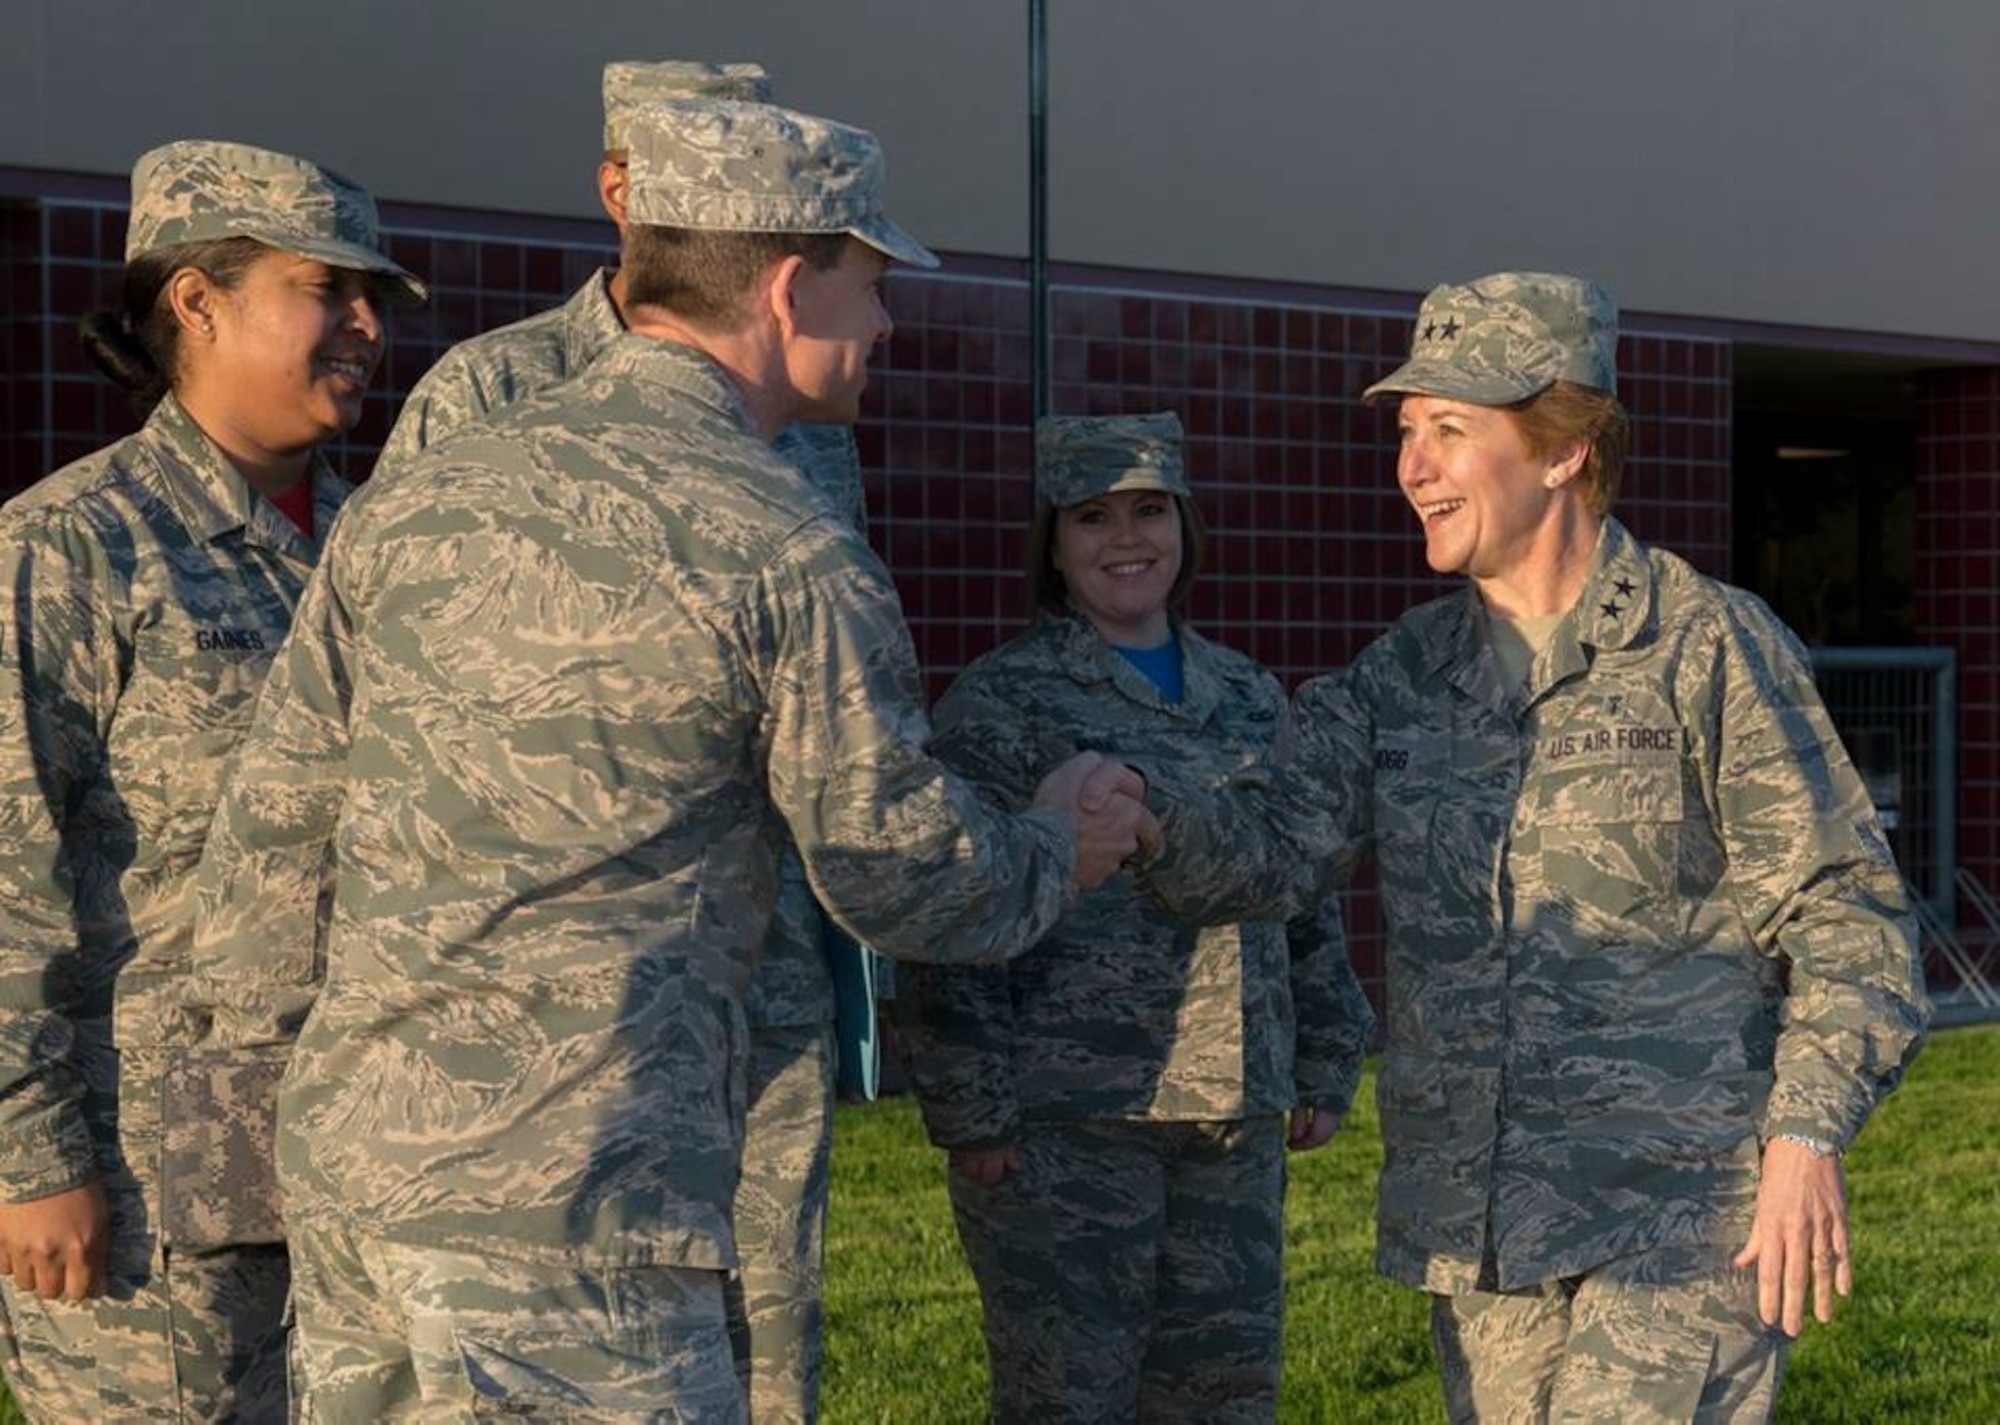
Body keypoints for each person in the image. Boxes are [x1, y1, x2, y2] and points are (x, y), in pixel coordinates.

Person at [183, 99, 1155, 1420]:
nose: (884, 327)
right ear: (790, 287)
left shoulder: (416, 501)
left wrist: (249, 1167)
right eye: (872, 287)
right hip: (584, 1217)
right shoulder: (783, 547)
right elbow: (903, 879)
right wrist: (1059, 841)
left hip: (364, 1194)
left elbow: (273, 848)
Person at [1141, 272, 1929, 1421]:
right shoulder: (1402, 678)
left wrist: (1805, 1133)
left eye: (1450, 432)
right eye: (1408, 434)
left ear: (1562, 453)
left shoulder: (1700, 646)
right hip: (1480, 1239)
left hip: (1672, 1221)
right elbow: (1265, 843)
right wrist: (1137, 816)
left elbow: (1846, 910)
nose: (1411, 467)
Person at [375, 58, 872, 1422]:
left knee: (766, 1349)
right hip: (557, 1029)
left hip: (754, 983)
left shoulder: (810, 422)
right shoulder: (493, 396)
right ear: (620, 190)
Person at [0, 141, 422, 1420]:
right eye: (326, 291)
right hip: (152, 1183)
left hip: (374, 1153)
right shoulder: (74, 546)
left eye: (373, 303)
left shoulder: (384, 546)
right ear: (196, 300)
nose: (363, 329)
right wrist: (30, 1157)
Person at [897, 412, 1375, 1421]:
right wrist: (969, 1105)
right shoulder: (1000, 703)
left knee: (1223, 1394)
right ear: (1054, 545)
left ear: (1184, 525)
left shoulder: (1246, 695)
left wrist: (1327, 1052)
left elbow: (1303, 884)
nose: (1126, 539)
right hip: (1066, 1114)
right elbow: (954, 910)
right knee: (1066, 1397)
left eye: (1149, 510)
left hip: (1228, 1110)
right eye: (1092, 517)